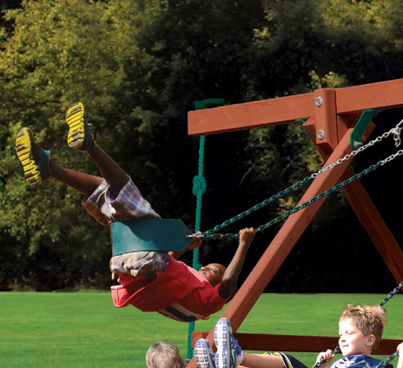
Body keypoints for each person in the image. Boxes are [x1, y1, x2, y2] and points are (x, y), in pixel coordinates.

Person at [15, 103, 255, 322]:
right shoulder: (190, 290)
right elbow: (165, 270)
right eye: (206, 267)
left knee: (129, 194)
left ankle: (89, 145)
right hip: (128, 265)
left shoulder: (209, 302)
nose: (203, 269)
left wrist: (243, 244)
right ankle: (48, 168)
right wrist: (185, 247)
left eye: (212, 269)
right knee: (108, 194)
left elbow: (228, 281)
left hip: (146, 266)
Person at [201, 304, 403, 368]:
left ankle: (237, 356)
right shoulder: (340, 363)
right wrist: (319, 364)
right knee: (273, 364)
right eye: (340, 334)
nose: (342, 338)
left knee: (284, 361)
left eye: (349, 333)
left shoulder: (372, 365)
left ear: (369, 339)